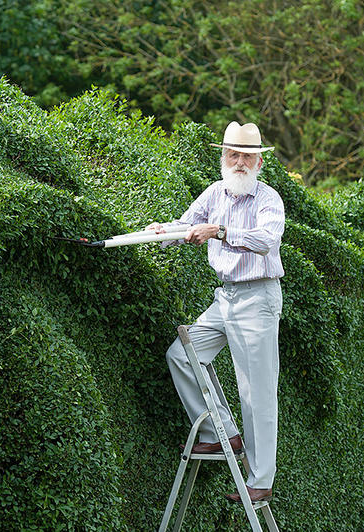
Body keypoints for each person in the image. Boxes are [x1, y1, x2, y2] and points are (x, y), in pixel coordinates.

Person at [147, 121, 285, 504]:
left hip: (258, 298)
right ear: (224, 157)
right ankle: (220, 433)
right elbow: (187, 225)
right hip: (225, 298)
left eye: (246, 156)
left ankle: (260, 482)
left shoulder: (268, 200)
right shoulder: (214, 192)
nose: (239, 162)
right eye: (233, 155)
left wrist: (220, 232)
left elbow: (266, 240)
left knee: (255, 393)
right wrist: (164, 230)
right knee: (182, 354)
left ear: (259, 162)